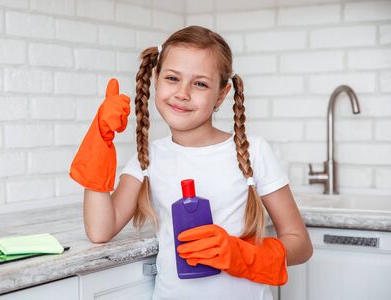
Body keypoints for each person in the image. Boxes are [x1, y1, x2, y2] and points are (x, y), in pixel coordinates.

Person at [70, 25, 313, 300]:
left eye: (200, 83)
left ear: (221, 94)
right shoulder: (147, 157)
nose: (183, 93)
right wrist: (100, 141)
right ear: (156, 79)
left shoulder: (253, 151)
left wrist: (243, 255)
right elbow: (100, 229)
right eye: (173, 78)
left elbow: (300, 244)